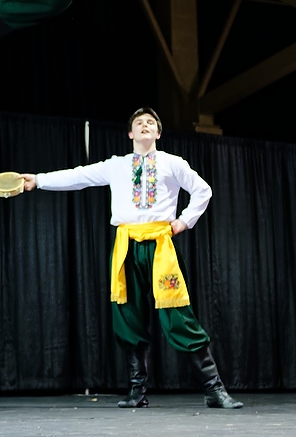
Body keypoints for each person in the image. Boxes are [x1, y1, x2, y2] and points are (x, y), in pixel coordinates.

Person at [19, 107, 242, 409]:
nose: (145, 125)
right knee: (128, 314)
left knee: (177, 314)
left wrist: (184, 221)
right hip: (126, 246)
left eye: (150, 122)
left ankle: (214, 390)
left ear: (158, 133)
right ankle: (137, 391)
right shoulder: (117, 166)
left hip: (160, 247)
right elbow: (79, 176)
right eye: (139, 122)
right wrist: (39, 180)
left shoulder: (173, 163)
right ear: (130, 133)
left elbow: (203, 190)